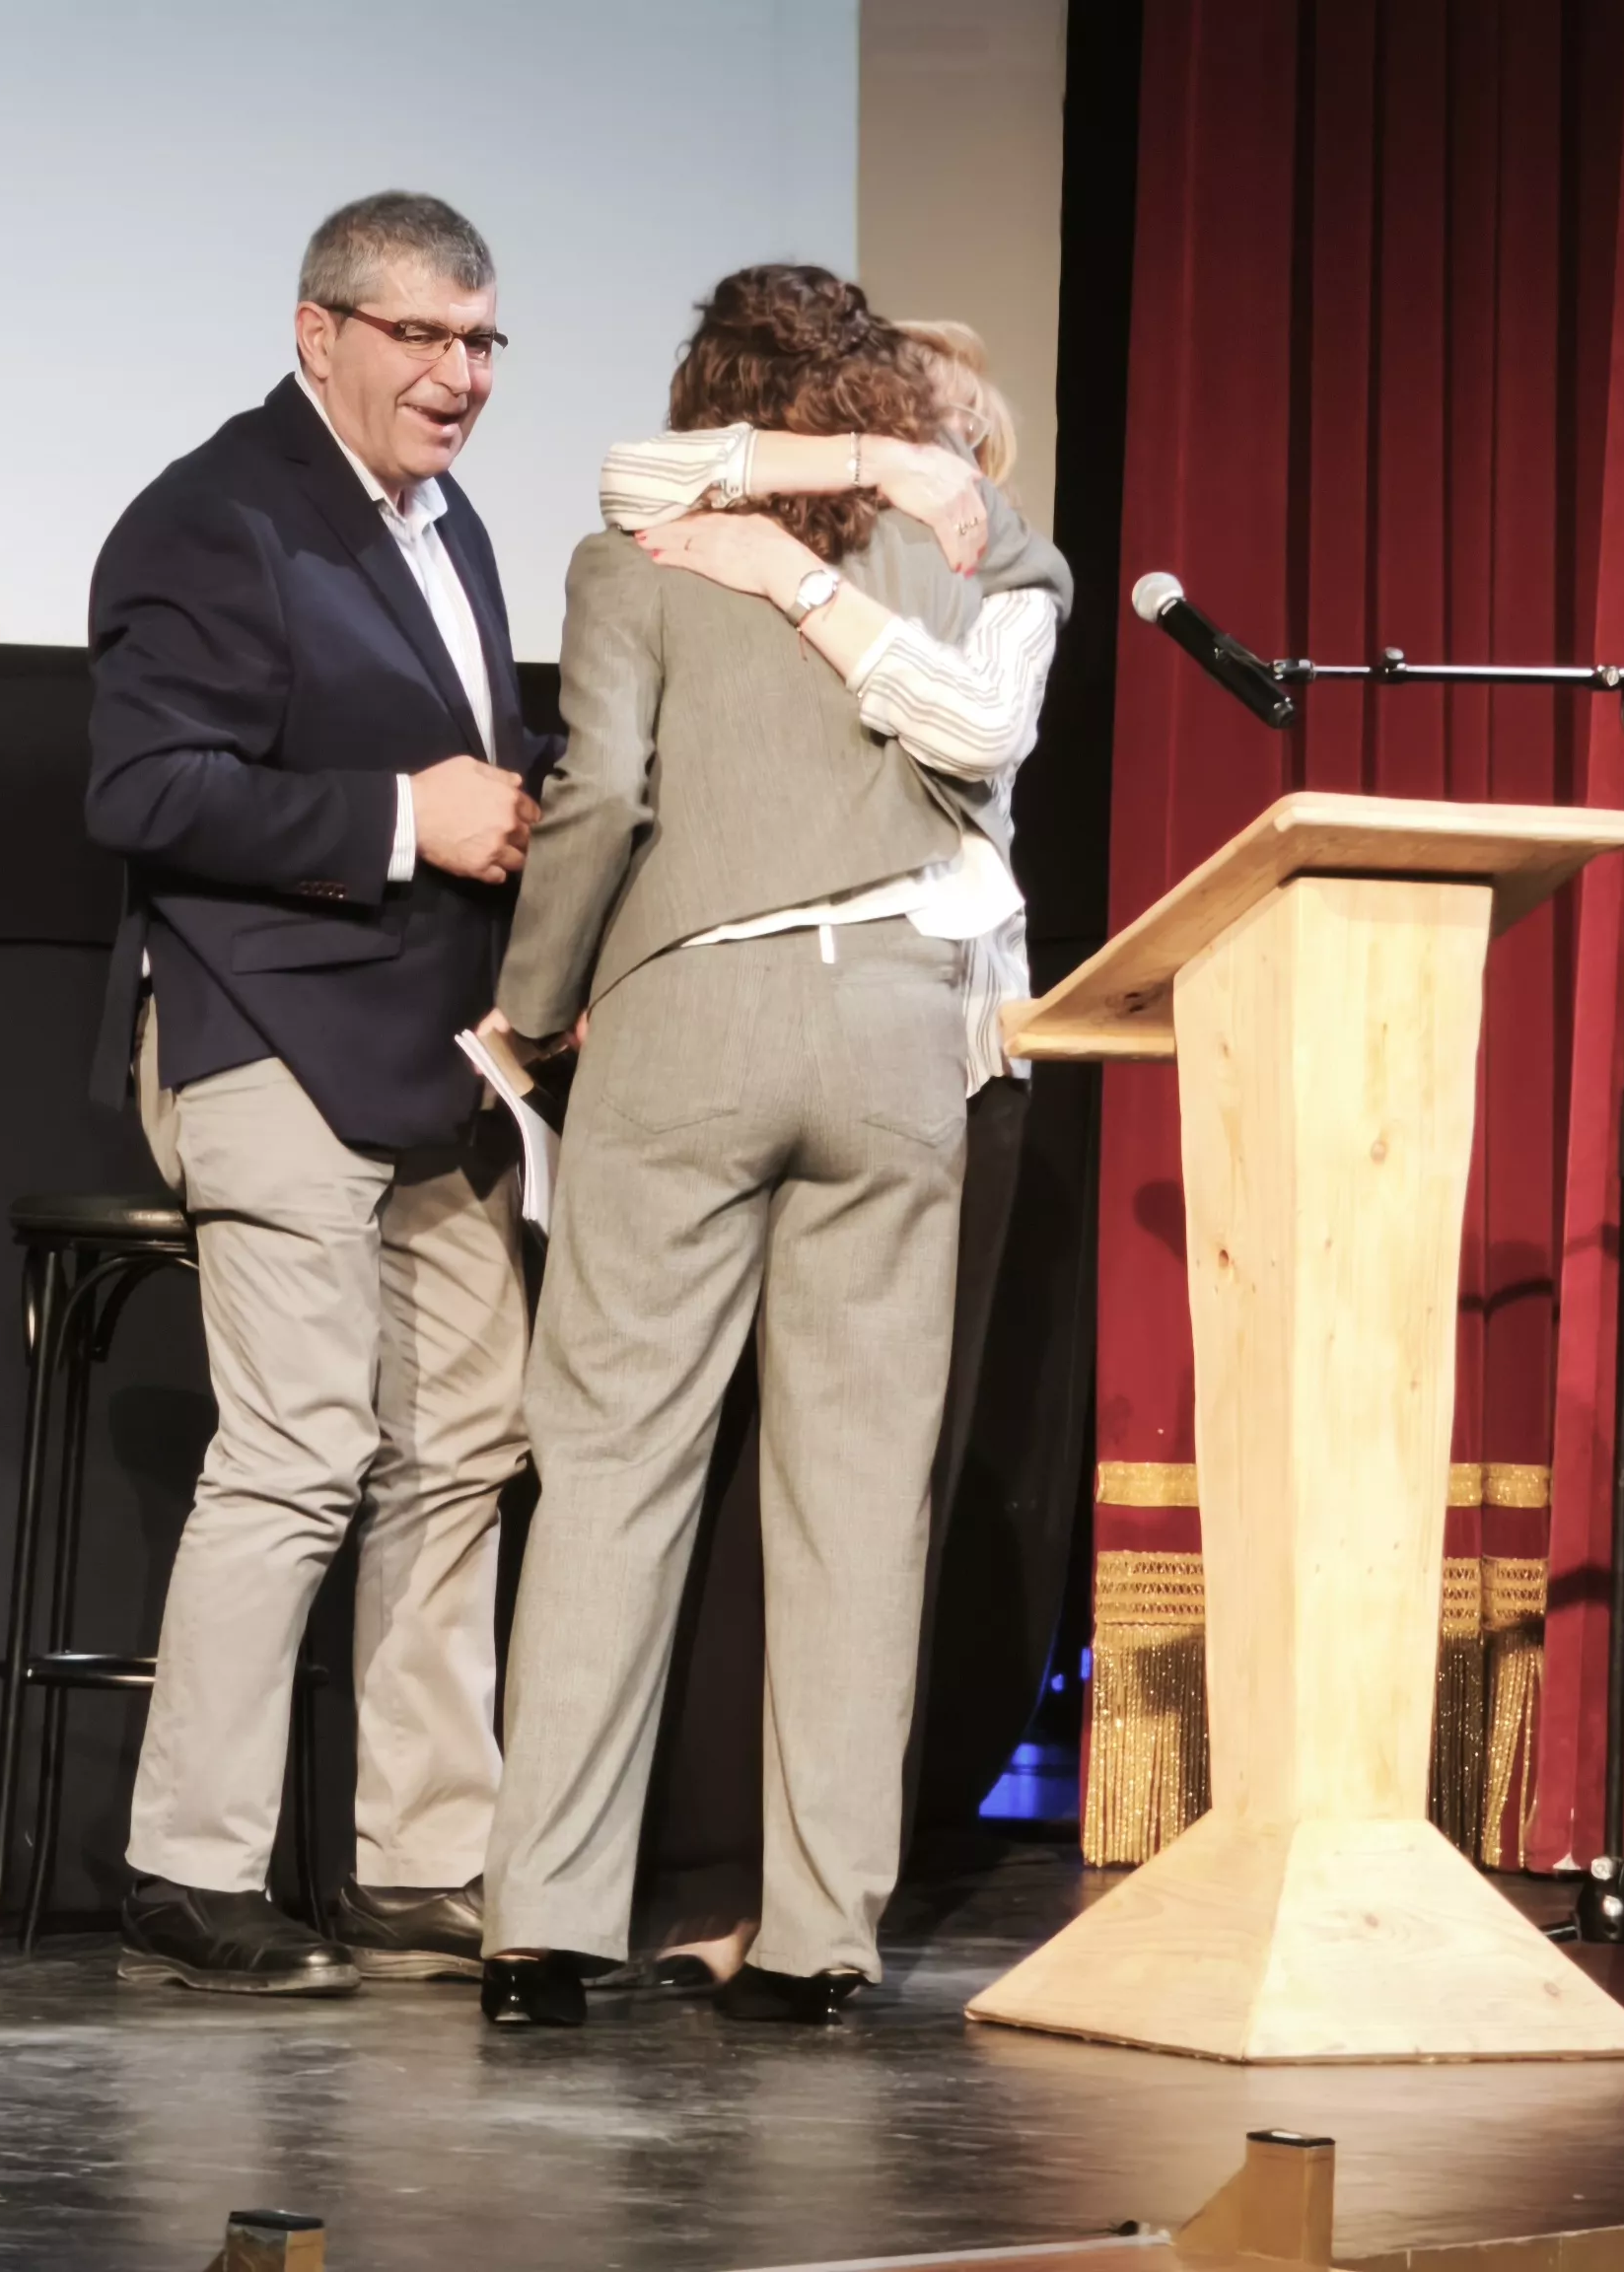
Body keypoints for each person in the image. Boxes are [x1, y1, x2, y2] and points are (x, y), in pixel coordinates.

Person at [474, 267, 1070, 2025]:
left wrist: (530, 1003)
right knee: (857, 1506)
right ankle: (821, 1941)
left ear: (706, 397)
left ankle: (544, 1931)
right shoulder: (973, 556)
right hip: (895, 1042)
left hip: (690, 1026)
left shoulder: (639, 563)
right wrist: (890, 480)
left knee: (612, 1483)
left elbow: (601, 801)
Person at [80, 190, 553, 1996]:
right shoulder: (216, 517)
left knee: (468, 1440)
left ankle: (419, 1858)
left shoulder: (452, 526)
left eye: (484, 339)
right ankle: (187, 1870)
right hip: (261, 1024)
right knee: (298, 1448)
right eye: (423, 335)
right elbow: (145, 790)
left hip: (430, 1048)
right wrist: (398, 816)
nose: (460, 374)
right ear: (320, 333)